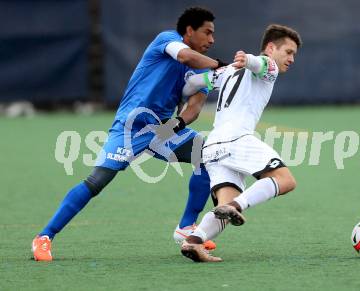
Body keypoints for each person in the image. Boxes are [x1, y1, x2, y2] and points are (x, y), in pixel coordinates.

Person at [32, 6, 225, 261]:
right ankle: (44, 237)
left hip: (162, 129)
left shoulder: (203, 71)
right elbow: (185, 57)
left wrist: (172, 126)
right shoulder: (167, 41)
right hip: (130, 127)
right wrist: (223, 67)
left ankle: (186, 227)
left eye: (213, 34)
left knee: (207, 154)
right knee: (96, 181)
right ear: (189, 30)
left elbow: (194, 108)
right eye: (207, 32)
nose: (212, 39)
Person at [178, 24, 302, 262]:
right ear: (270, 47)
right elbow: (262, 64)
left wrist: (179, 93)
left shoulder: (225, 72)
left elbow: (192, 83)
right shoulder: (267, 65)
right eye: (288, 52)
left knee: (222, 209)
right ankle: (237, 205)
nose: (292, 58)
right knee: (285, 181)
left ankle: (193, 242)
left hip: (213, 146)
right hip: (237, 138)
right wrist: (249, 60)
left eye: (294, 54)